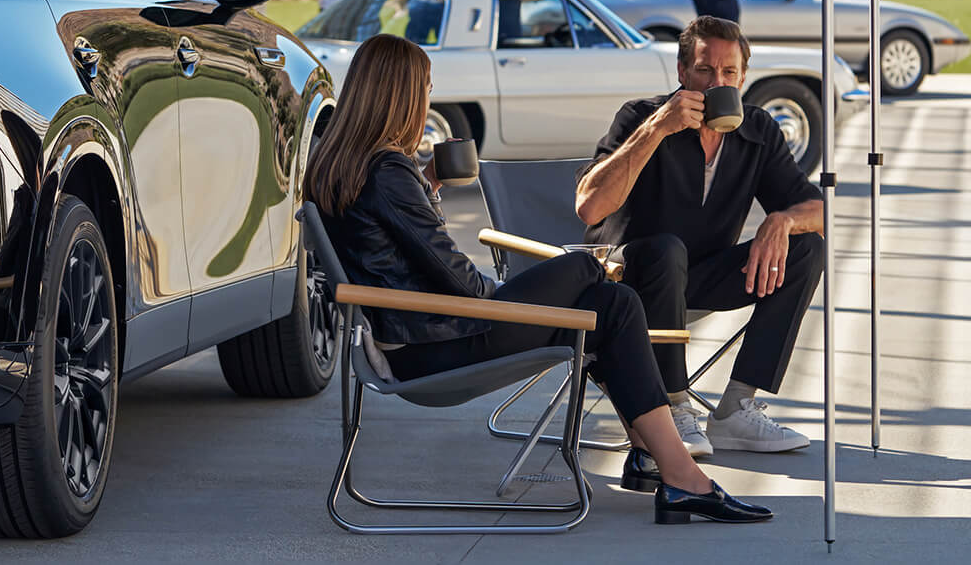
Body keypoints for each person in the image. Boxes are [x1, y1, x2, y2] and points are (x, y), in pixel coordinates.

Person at [307, 34, 772, 524]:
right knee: (584, 269)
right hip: (436, 347)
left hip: (415, 340)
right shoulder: (387, 172)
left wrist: (429, 188)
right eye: (424, 88)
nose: (427, 100)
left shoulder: (342, 165)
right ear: (398, 96)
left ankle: (670, 470)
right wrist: (505, 298)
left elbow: (400, 255)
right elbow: (460, 282)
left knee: (610, 306)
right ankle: (676, 473)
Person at [576, 16, 824, 457]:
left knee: (807, 247)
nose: (717, 82)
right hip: (625, 282)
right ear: (682, 73)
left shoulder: (758, 130)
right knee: (666, 249)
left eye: (729, 73)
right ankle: (671, 404)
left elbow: (821, 211)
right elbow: (589, 207)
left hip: (699, 275)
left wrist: (783, 221)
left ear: (743, 78)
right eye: (706, 70)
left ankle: (735, 409)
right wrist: (657, 129)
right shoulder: (640, 117)